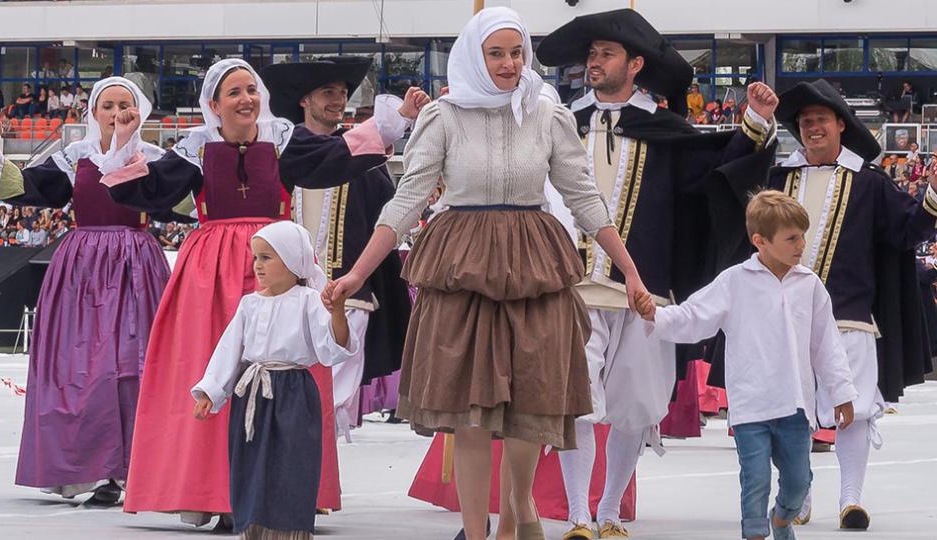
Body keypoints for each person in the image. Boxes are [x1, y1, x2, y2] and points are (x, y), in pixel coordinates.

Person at [410, 10, 775, 540]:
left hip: (641, 288)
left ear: (635, 65)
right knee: (574, 399)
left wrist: (756, 125)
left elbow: (715, 183)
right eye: (592, 54)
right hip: (569, 287)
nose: (594, 63)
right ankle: (578, 512)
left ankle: (608, 511)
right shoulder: (555, 117)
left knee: (636, 404)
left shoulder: (666, 131)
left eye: (605, 54)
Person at [325, 9, 644, 540]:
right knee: (469, 410)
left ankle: (518, 505)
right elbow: (406, 201)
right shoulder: (443, 116)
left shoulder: (547, 113)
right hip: (462, 263)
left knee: (533, 395)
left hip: (534, 261)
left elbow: (584, 196)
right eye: (496, 54)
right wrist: (358, 273)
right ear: (474, 56)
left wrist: (631, 271)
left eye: (516, 52)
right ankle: (477, 532)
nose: (509, 64)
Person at [100, 58, 419, 529]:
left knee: (286, 374)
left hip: (277, 265)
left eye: (251, 89)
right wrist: (124, 141)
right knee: (212, 366)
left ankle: (277, 486)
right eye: (234, 92)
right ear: (214, 104)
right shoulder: (197, 148)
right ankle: (210, 489)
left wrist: (397, 119)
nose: (246, 98)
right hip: (209, 273)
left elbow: (339, 154)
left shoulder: (282, 140)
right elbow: (145, 190)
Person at [0, 77, 172, 506]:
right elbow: (26, 188)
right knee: (81, 367)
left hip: (135, 267)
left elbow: (184, 201)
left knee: (131, 365)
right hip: (82, 269)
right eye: (108, 105)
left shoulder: (153, 158)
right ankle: (90, 467)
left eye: (126, 105)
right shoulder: (75, 156)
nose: (116, 113)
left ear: (139, 112)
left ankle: (136, 466)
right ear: (93, 113)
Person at [750, 79, 937, 530]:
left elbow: (907, 231)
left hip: (850, 314)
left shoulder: (869, 184)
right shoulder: (777, 181)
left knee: (855, 407)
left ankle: (851, 499)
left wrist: (933, 197)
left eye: (822, 120)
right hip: (782, 317)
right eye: (806, 121)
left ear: (841, 126)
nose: (813, 127)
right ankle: (801, 494)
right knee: (790, 410)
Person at [636, 190, 858, 540]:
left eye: (802, 235)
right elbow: (695, 316)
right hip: (751, 406)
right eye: (791, 238)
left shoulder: (810, 285)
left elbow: (827, 345)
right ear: (760, 241)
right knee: (754, 479)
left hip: (797, 407)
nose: (801, 244)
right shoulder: (734, 281)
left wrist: (841, 393)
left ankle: (782, 517)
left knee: (798, 483)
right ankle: (754, 532)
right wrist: (657, 316)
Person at [262, 56, 421, 439]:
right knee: (289, 388)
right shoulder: (283, 150)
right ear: (305, 100)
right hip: (288, 295)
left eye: (343, 93)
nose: (338, 100)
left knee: (334, 398)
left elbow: (390, 214)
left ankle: (317, 485)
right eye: (328, 92)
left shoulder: (363, 156)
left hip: (349, 295)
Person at [192, 221, 359, 539]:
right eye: (256, 257)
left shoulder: (308, 301)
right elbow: (229, 350)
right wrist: (211, 392)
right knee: (250, 463)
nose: (258, 265)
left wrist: (337, 311)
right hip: (252, 392)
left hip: (293, 394)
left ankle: (288, 531)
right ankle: (252, 528)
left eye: (267, 257)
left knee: (291, 464)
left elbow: (332, 347)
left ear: (293, 260)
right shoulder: (249, 304)